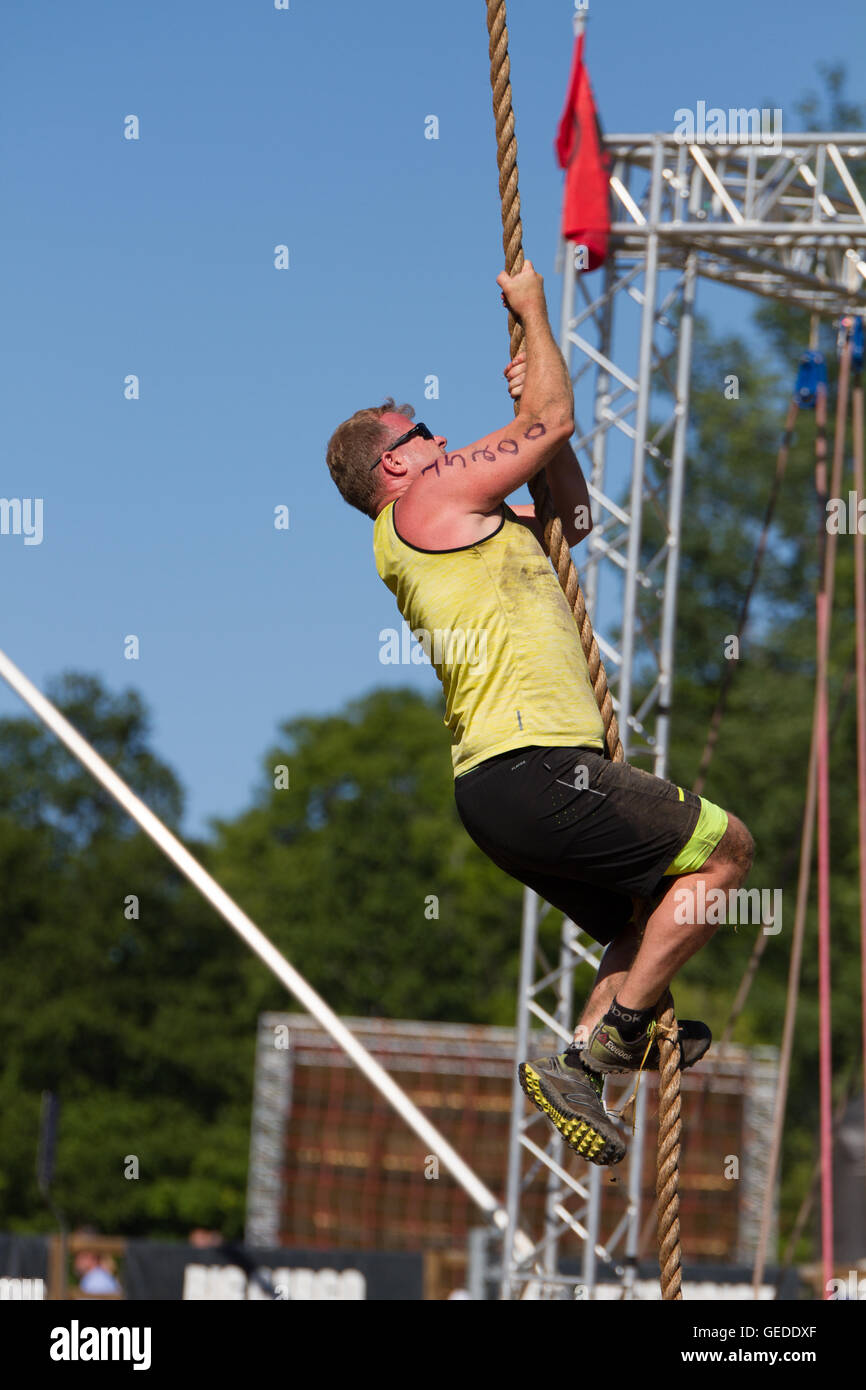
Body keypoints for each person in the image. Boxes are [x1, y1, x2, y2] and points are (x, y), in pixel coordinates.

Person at [325, 260, 754, 1166]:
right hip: (530, 766)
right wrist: (536, 318)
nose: (440, 438)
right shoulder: (428, 500)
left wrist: (541, 409)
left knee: (651, 915)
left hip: (507, 787)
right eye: (424, 432)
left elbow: (572, 514)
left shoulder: (471, 515)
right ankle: (618, 1040)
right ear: (394, 464)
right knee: (727, 854)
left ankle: (585, 1064)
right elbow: (548, 422)